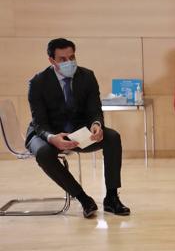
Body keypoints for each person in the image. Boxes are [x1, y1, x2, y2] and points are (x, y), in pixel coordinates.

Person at [26, 38, 131, 219]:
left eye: (72, 57)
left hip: (77, 132)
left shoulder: (87, 76)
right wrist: (52, 137)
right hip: (45, 132)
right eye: (62, 59)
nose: (69, 62)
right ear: (51, 60)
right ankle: (83, 199)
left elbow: (94, 110)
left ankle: (111, 198)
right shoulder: (38, 83)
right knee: (43, 153)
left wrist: (96, 125)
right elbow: (39, 122)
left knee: (112, 137)